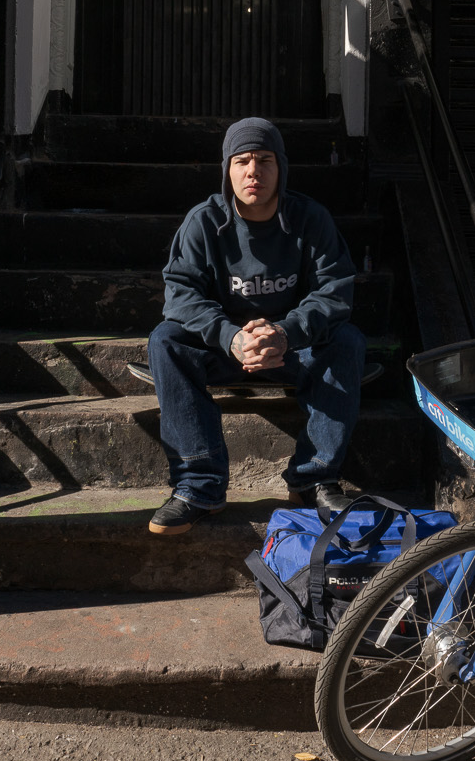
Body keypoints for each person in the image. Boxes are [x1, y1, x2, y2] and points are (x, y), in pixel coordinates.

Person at [145, 117, 364, 535]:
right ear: (227, 169)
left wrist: (284, 334)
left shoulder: (310, 218)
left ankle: (314, 477)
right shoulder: (204, 222)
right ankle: (199, 485)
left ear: (280, 167)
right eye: (241, 161)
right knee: (166, 340)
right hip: (228, 351)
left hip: (295, 349)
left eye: (264, 160)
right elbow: (181, 294)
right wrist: (232, 337)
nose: (253, 171)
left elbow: (334, 292)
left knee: (347, 340)